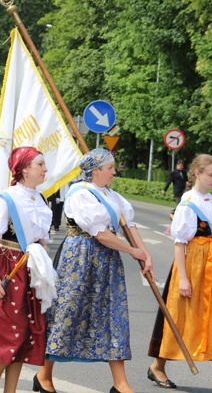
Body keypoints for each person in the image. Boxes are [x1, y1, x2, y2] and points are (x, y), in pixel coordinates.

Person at [36, 148, 154, 393]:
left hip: (107, 262)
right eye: (110, 168)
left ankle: (121, 383)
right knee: (67, 313)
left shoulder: (112, 195)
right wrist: (132, 252)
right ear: (96, 171)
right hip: (79, 260)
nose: (114, 171)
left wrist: (145, 255)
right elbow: (100, 234)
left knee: (113, 316)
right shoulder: (80, 195)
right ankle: (44, 374)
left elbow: (129, 226)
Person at [148, 154, 212, 393]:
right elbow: (179, 243)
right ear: (197, 173)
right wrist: (183, 278)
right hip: (191, 266)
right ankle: (157, 367)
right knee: (180, 319)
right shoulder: (188, 202)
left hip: (211, 267)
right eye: (210, 175)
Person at [0, 146, 55, 393]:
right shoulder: (8, 198)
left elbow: (42, 241)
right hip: (9, 267)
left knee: (26, 333)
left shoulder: (41, 199)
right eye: (40, 165)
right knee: (9, 332)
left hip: (32, 271)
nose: (45, 169)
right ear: (25, 169)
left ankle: (10, 390)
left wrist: (45, 272)